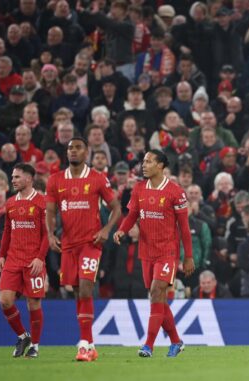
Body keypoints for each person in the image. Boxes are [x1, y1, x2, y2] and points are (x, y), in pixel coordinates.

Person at [45, 137, 122, 362]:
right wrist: (50, 234)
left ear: (86, 152)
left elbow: (116, 208)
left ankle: (85, 345)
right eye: (70, 148)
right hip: (68, 245)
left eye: (78, 148)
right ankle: (90, 343)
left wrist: (107, 229)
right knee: (77, 291)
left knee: (87, 289)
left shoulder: (97, 178)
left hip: (91, 243)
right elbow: (49, 212)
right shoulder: (55, 180)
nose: (73, 151)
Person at [113, 150, 194, 358]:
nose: (144, 165)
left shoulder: (175, 192)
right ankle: (176, 341)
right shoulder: (139, 189)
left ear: (160, 165)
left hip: (167, 252)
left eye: (149, 162)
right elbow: (132, 215)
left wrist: (188, 256)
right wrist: (122, 229)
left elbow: (184, 228)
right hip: (146, 251)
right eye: (143, 162)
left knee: (158, 292)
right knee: (157, 298)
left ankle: (148, 345)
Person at [0, 163, 47, 358]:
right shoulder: (10, 203)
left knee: (33, 304)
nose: (13, 180)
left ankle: (35, 345)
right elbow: (7, 231)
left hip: (33, 261)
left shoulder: (41, 202)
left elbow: (46, 233)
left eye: (17, 177)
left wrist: (40, 258)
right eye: (13, 176)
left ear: (28, 178)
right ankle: (22, 335)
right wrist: (2, 255)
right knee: (5, 301)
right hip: (13, 260)